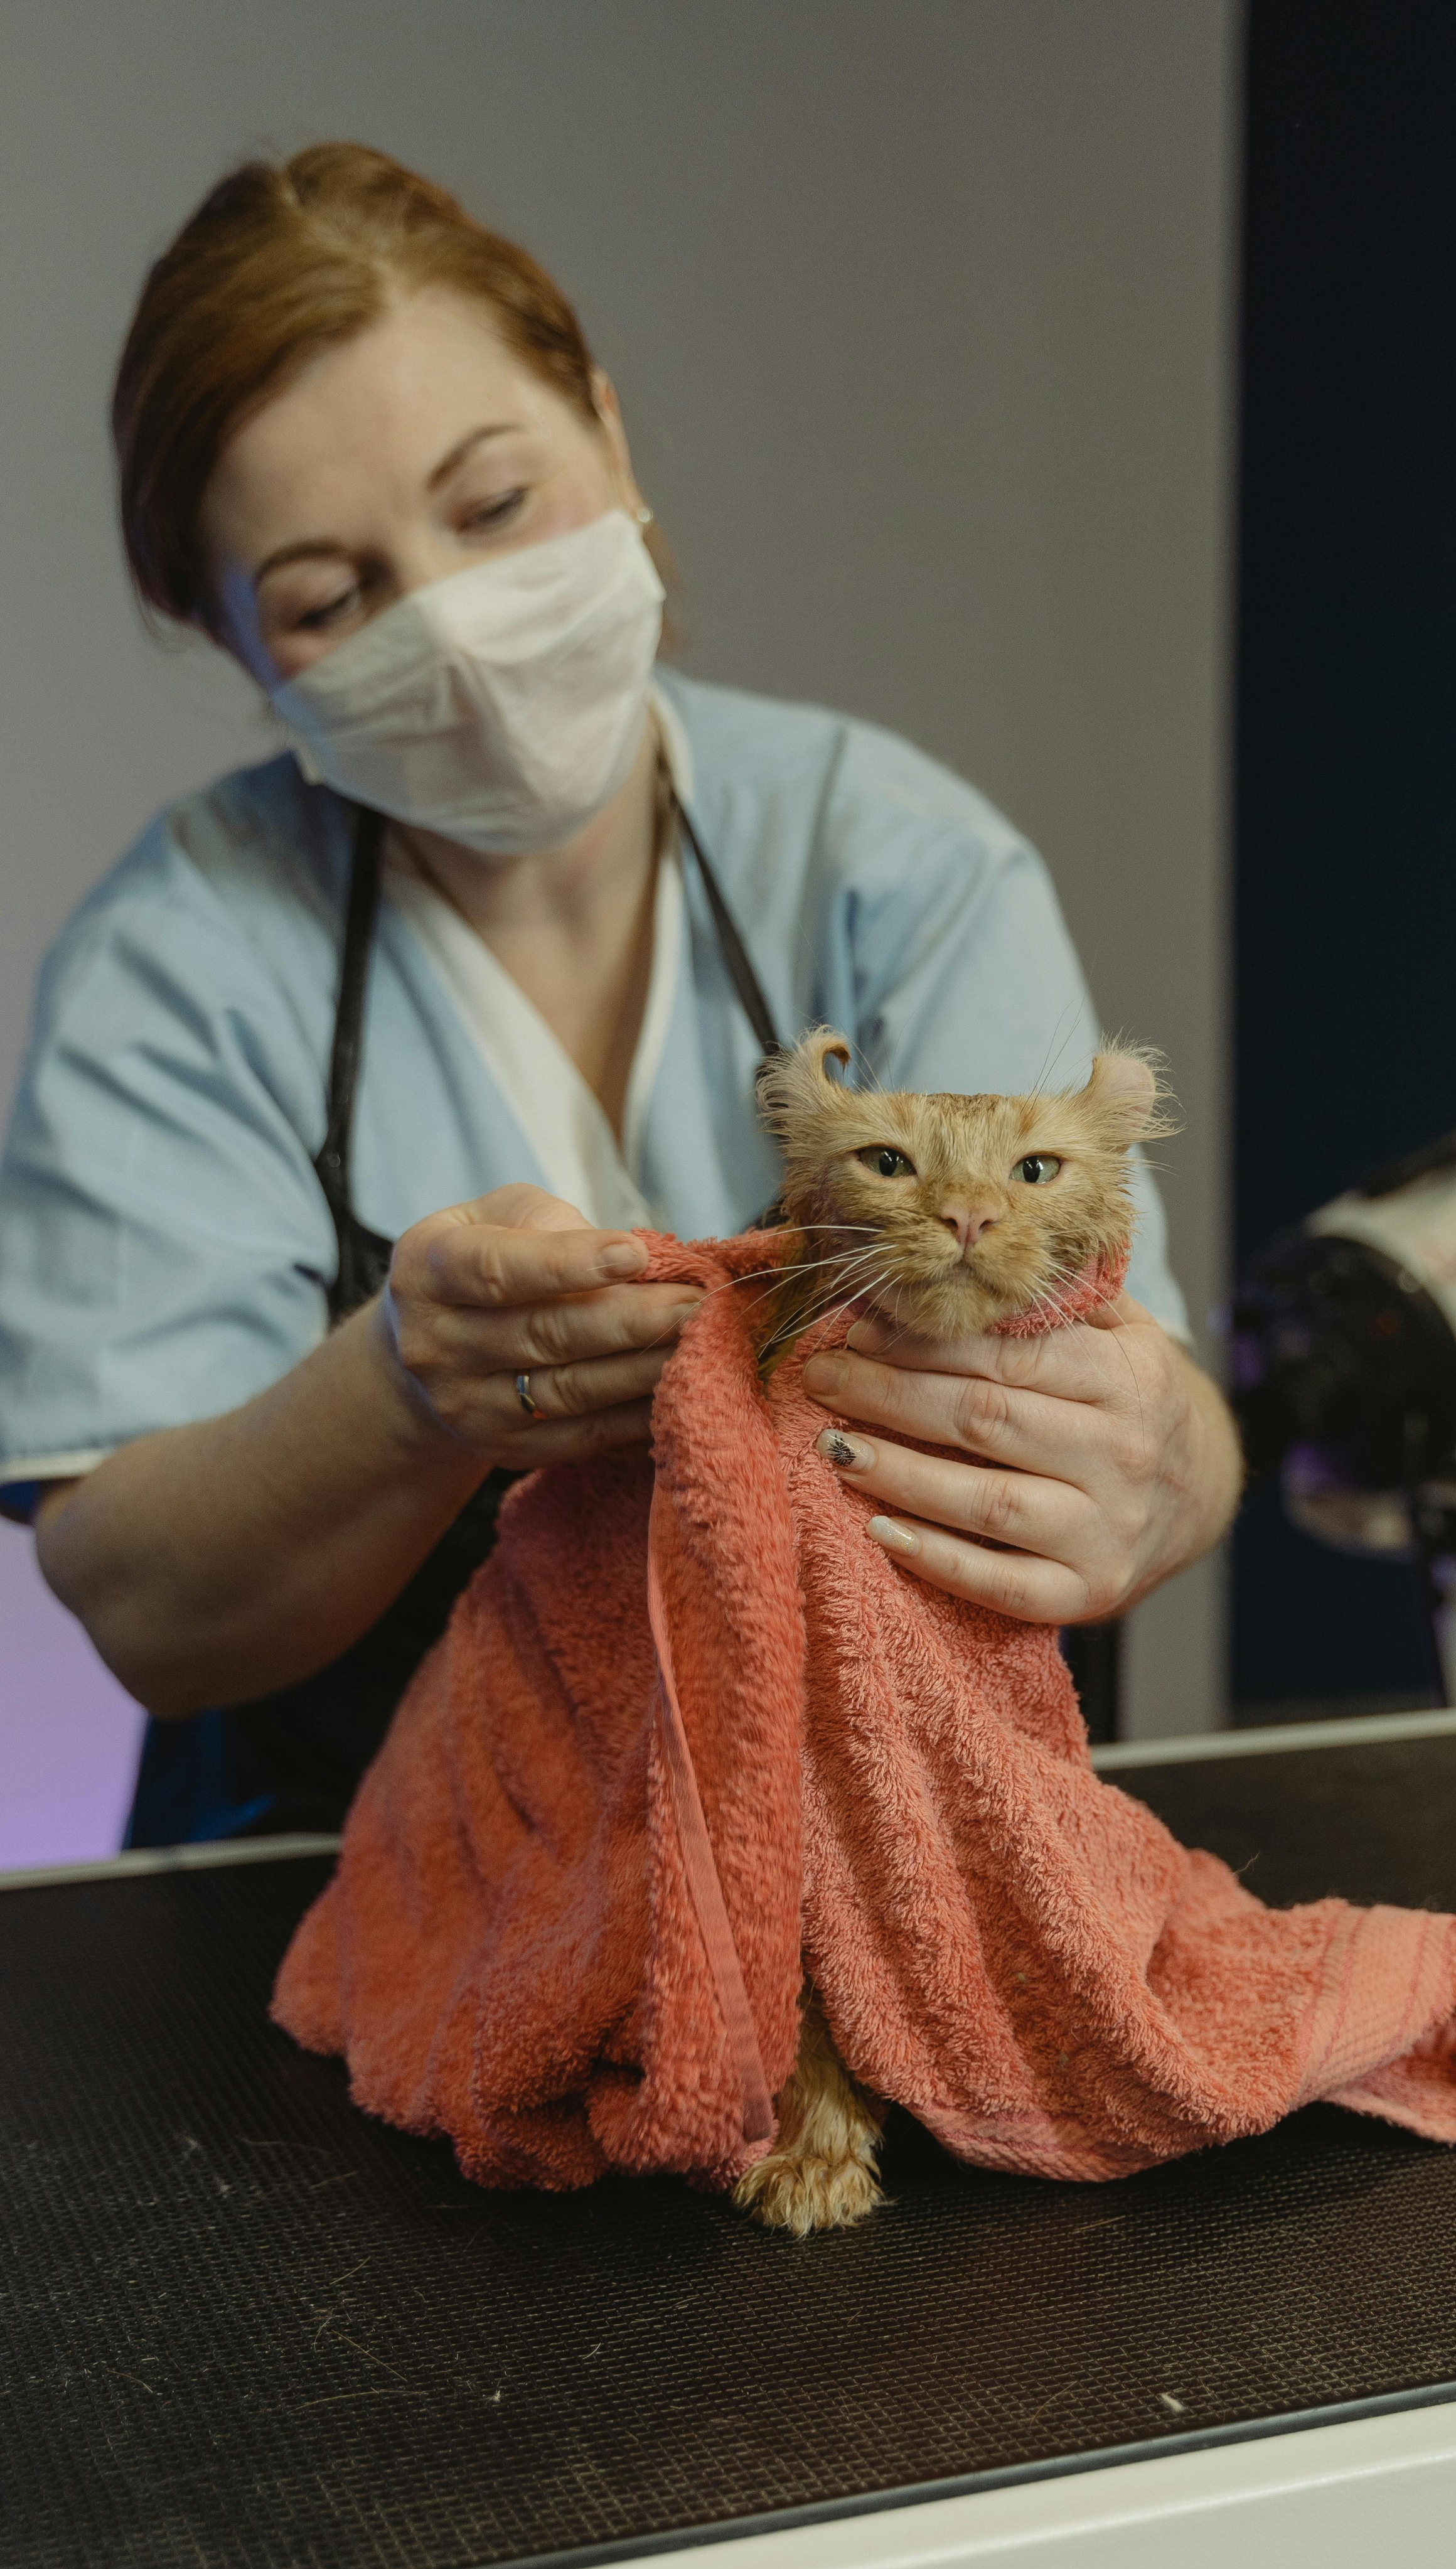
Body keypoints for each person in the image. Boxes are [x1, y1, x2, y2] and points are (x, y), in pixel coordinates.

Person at [0, 144, 1241, 1848]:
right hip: (335, 1893)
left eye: (495, 506)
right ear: (234, 647)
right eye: (325, 597)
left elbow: (1138, 1394)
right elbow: (146, 1611)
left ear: (606, 428)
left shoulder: (892, 857)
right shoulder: (184, 959)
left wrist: (1172, 1465)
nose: (448, 626)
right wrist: (405, 1399)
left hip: (880, 1849)